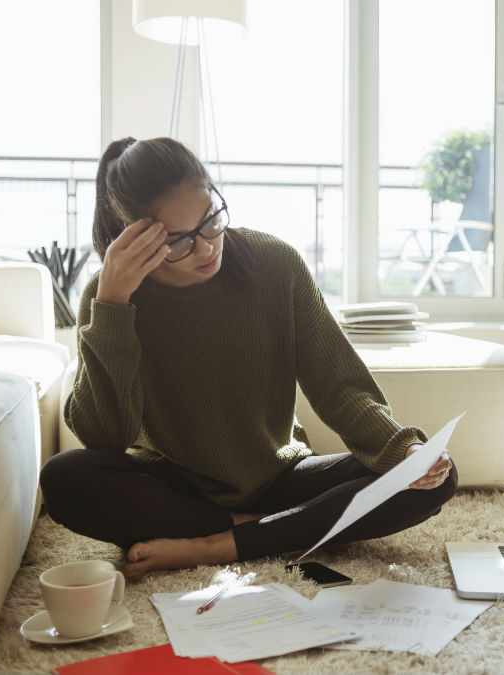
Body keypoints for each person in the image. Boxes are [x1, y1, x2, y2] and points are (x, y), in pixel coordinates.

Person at [39, 137, 458, 581]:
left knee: (430, 477)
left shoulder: (275, 264)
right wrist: (113, 305)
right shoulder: (108, 298)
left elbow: (339, 387)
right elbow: (103, 437)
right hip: (175, 489)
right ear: (136, 236)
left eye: (210, 222)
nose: (205, 248)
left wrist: (404, 450)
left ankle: (222, 542)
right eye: (179, 241)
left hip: (280, 477)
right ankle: (280, 530)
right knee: (66, 479)